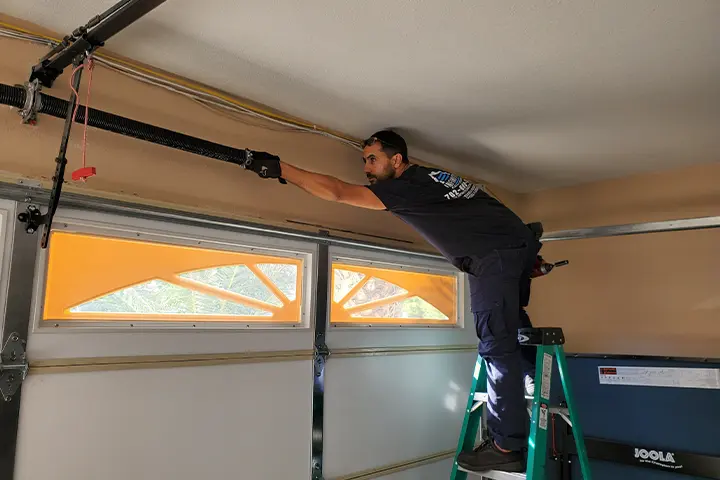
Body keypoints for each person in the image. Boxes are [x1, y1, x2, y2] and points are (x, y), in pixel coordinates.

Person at [241, 130, 541, 473]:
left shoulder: (406, 186)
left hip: (492, 258)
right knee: (512, 325)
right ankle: (533, 381)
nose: (367, 168)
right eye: (365, 161)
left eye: (373, 159)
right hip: (517, 245)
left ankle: (506, 446)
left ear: (397, 160)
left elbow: (338, 192)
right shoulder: (434, 179)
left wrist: (282, 169)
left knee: (495, 345)